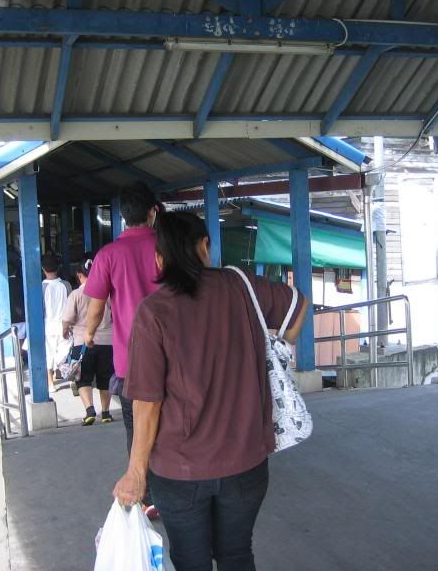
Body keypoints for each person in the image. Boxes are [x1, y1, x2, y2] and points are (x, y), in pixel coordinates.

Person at [113, 211, 308, 571]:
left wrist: (136, 471)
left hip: (179, 472)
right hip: (246, 463)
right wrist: (269, 341)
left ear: (159, 259)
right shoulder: (242, 287)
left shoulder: (154, 312)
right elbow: (297, 310)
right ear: (205, 246)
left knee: (191, 561)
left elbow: (147, 403)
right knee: (237, 554)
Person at [83, 181, 161, 516]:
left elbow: (96, 307)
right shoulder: (169, 248)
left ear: (122, 215)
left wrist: (89, 334)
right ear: (153, 212)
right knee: (175, 425)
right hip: (174, 357)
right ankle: (178, 491)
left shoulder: (109, 254)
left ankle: (147, 496)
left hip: (131, 362)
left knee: (137, 427)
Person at [62, 258, 114, 426]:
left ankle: (90, 410)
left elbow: (67, 320)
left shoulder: (76, 295)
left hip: (82, 343)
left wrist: (64, 332)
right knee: (105, 377)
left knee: (83, 378)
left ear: (79, 275)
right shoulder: (107, 294)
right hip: (107, 342)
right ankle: (105, 412)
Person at [41, 252, 70, 387]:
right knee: (64, 352)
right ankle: (66, 373)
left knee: (49, 353)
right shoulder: (66, 285)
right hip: (64, 325)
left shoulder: (41, 287)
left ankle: (50, 382)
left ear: (43, 269)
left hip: (48, 325)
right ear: (58, 267)